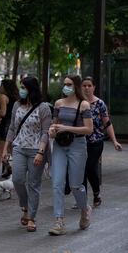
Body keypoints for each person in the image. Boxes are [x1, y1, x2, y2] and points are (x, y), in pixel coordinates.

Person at [2, 76, 51, 232]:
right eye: (20, 87)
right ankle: (24, 206)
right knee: (17, 179)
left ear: (31, 89)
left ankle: (31, 217)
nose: (21, 90)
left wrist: (41, 152)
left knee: (34, 184)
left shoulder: (43, 108)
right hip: (19, 147)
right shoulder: (17, 105)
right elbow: (12, 128)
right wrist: (5, 148)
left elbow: (46, 132)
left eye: (24, 87)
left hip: (36, 150)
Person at [48, 75, 93, 236]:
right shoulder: (59, 103)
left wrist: (67, 129)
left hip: (78, 146)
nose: (66, 87)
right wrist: (52, 130)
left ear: (76, 87)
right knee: (57, 182)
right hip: (60, 145)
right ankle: (59, 221)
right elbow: (54, 124)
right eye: (64, 84)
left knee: (75, 185)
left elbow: (89, 129)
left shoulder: (84, 105)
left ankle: (84, 209)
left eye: (69, 84)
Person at [81, 76, 122, 207]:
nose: (87, 88)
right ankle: (86, 197)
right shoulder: (79, 103)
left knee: (87, 168)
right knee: (87, 169)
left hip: (96, 142)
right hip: (80, 142)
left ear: (94, 87)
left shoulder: (100, 104)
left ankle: (92, 195)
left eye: (89, 86)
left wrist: (114, 141)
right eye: (84, 86)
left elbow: (107, 123)